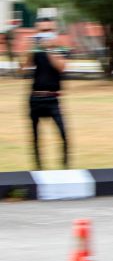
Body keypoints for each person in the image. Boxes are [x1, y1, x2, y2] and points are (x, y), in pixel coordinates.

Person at [19, 17, 68, 170]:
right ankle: (38, 169)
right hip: (35, 98)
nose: (45, 34)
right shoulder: (35, 50)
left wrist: (50, 49)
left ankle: (65, 168)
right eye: (42, 31)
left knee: (64, 135)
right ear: (37, 32)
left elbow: (61, 67)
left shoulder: (60, 49)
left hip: (53, 99)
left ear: (54, 32)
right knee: (35, 138)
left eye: (48, 30)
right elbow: (22, 68)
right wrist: (29, 47)